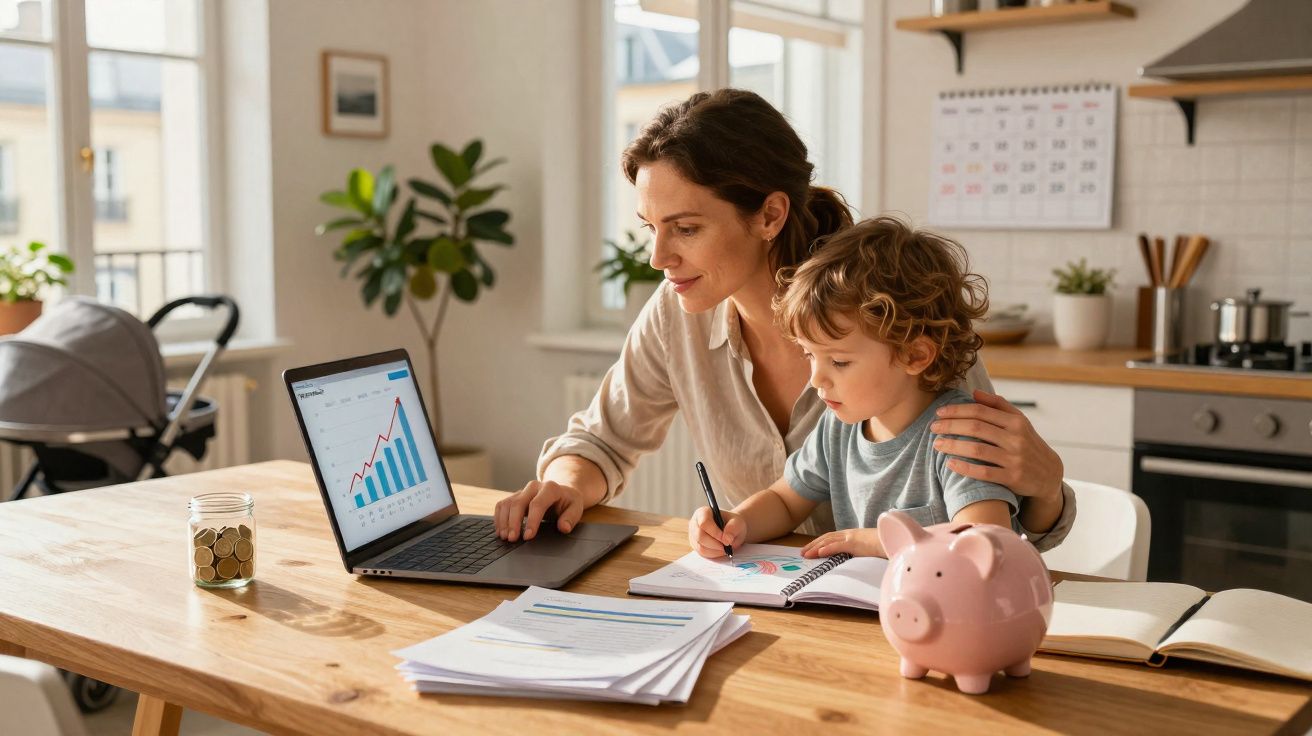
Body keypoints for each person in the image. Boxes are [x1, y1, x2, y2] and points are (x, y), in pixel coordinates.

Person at [493, 88, 1073, 547]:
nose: (658, 258)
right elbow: (602, 440)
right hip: (779, 601)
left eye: (686, 228)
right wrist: (564, 487)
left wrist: (1046, 489)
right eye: (652, 228)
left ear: (770, 214)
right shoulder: (677, 312)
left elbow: (997, 530)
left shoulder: (889, 310)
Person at [690, 217, 1018, 560]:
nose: (816, 379)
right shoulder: (838, 428)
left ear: (915, 355)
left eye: (839, 362)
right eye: (809, 355)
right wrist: (738, 521)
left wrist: (872, 541)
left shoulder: (960, 436)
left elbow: (985, 540)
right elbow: (785, 502)